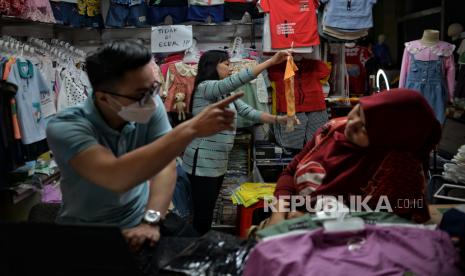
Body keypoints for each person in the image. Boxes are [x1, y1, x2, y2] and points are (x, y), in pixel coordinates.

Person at [46, 40, 244, 252]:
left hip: (141, 219)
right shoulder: (65, 126)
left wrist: (151, 220)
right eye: (140, 94)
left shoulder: (147, 103)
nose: (152, 101)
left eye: (153, 89)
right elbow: (117, 177)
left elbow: (165, 164)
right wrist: (190, 130)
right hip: (88, 234)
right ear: (104, 97)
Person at [267, 89, 442, 226]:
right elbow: (290, 173)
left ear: (386, 139)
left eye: (365, 128)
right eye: (358, 111)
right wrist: (278, 215)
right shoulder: (331, 129)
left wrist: (309, 220)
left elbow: (386, 226)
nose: (351, 123)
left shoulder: (395, 172)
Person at [182, 49, 291, 234]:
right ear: (212, 66)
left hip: (218, 163)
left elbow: (249, 112)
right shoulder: (206, 88)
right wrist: (270, 62)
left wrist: (279, 119)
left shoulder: (225, 93)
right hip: (202, 163)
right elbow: (237, 80)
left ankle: (202, 248)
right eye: (226, 64)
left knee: (205, 214)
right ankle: (197, 252)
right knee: (202, 215)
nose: (230, 68)